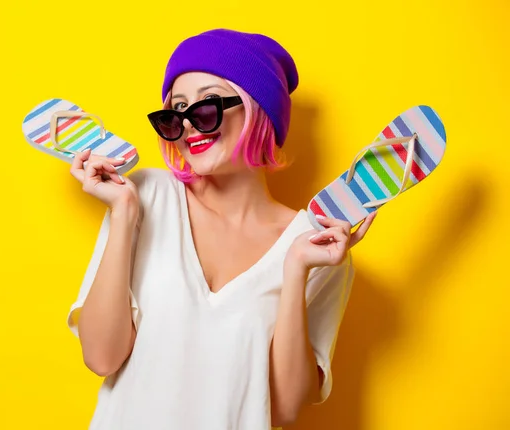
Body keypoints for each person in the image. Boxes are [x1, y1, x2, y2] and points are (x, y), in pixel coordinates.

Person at [66, 28, 376, 430]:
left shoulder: (315, 244)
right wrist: (124, 214)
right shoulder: (142, 195)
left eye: (207, 105)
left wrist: (296, 268)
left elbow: (280, 408)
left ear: (258, 109)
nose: (190, 125)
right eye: (176, 111)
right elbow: (101, 357)